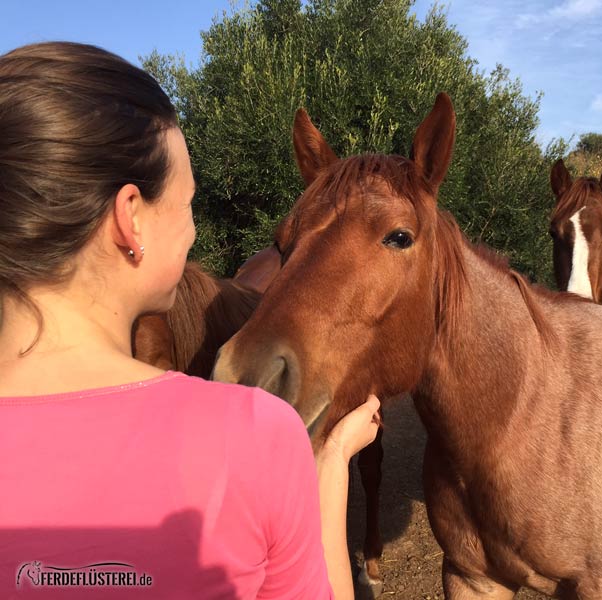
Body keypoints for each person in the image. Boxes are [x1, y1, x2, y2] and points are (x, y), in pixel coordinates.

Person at [0, 41, 380, 599]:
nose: (194, 230)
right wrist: (328, 464)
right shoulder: (253, 435)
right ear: (131, 218)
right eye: (188, 204)